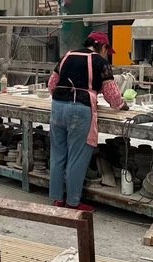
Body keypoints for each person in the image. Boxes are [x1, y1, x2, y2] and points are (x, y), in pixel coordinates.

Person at [47, 32, 128, 212]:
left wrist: (64, 98)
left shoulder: (67, 56)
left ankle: (57, 199)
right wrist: (122, 105)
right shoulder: (100, 62)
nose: (106, 55)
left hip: (57, 107)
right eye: (107, 51)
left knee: (58, 155)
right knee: (77, 157)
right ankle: (72, 203)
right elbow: (112, 94)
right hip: (80, 111)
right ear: (103, 47)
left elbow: (52, 84)